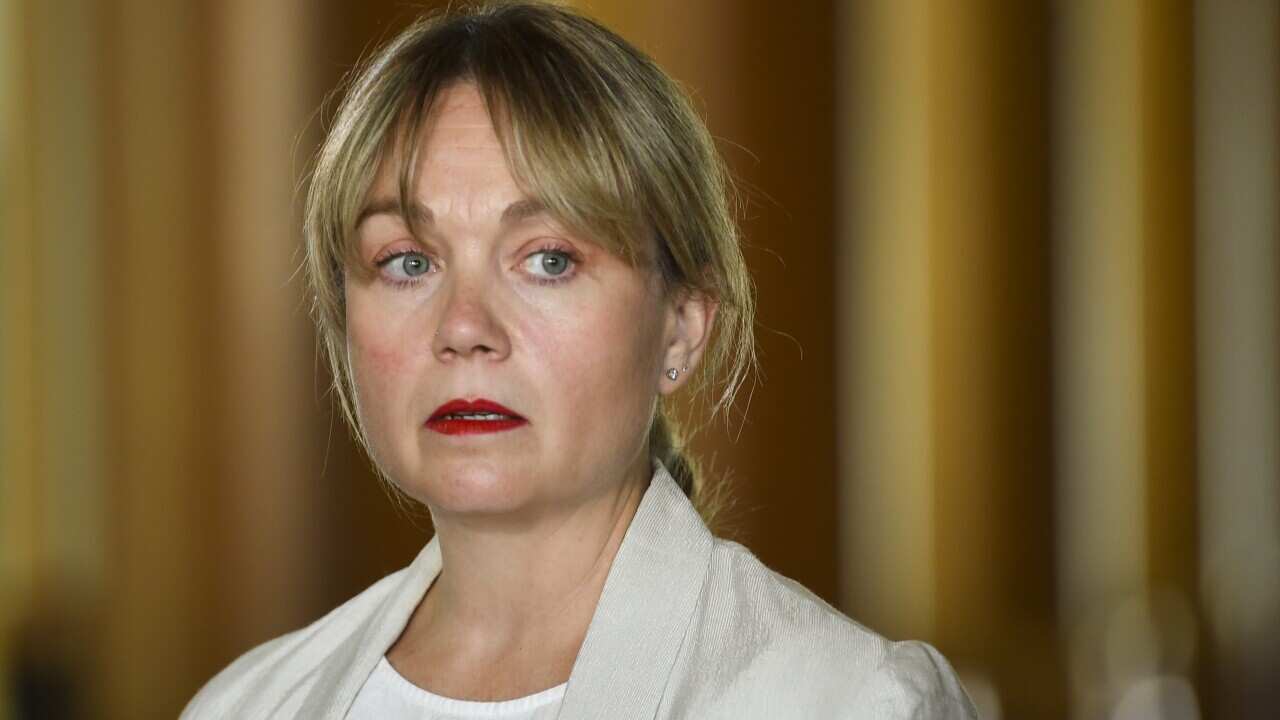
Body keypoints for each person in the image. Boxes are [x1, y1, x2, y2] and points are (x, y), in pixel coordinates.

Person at [181, 2, 977, 718]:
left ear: (682, 328)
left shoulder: (846, 701)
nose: (464, 327)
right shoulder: (246, 705)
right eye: (408, 262)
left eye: (548, 259)